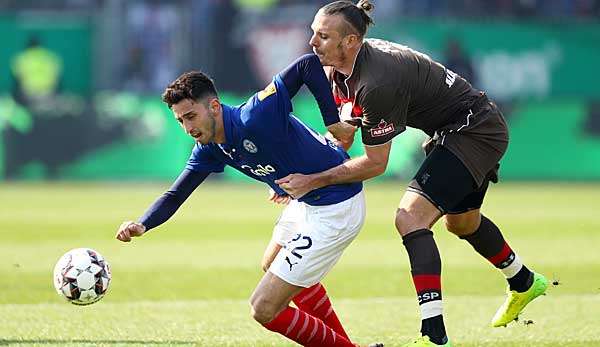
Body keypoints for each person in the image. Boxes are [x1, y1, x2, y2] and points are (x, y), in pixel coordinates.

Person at [275, 1, 548, 346]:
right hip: (456, 129)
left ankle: (432, 335)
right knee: (461, 223)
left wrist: (314, 181)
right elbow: (343, 137)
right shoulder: (337, 72)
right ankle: (524, 282)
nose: (312, 42)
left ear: (351, 41)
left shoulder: (377, 82)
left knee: (410, 217)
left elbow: (375, 163)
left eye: (323, 35)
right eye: (313, 32)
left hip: (474, 129)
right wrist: (300, 178)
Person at [115, 54, 381, 347]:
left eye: (191, 116)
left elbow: (307, 65)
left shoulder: (255, 114)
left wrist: (333, 122)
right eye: (179, 121)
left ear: (214, 106)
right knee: (271, 264)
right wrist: (142, 224)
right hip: (305, 202)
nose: (187, 128)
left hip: (335, 207)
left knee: (263, 308)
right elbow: (176, 194)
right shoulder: (209, 147)